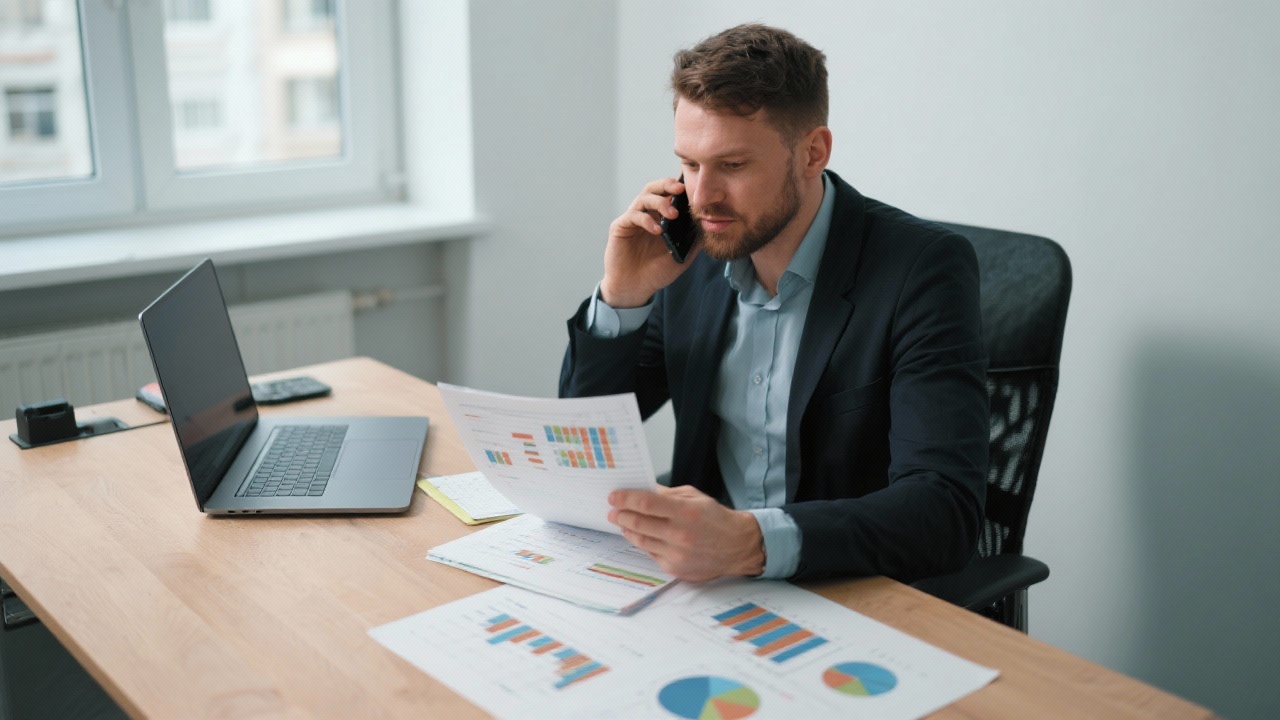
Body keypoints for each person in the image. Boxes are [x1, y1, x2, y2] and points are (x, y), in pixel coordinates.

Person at [559, 23, 988, 584]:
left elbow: (944, 512)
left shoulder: (922, 269)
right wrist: (624, 295)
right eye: (689, 163)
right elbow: (583, 444)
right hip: (708, 587)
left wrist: (752, 542)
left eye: (732, 166)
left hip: (846, 586)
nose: (702, 196)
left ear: (813, 153)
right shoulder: (692, 257)